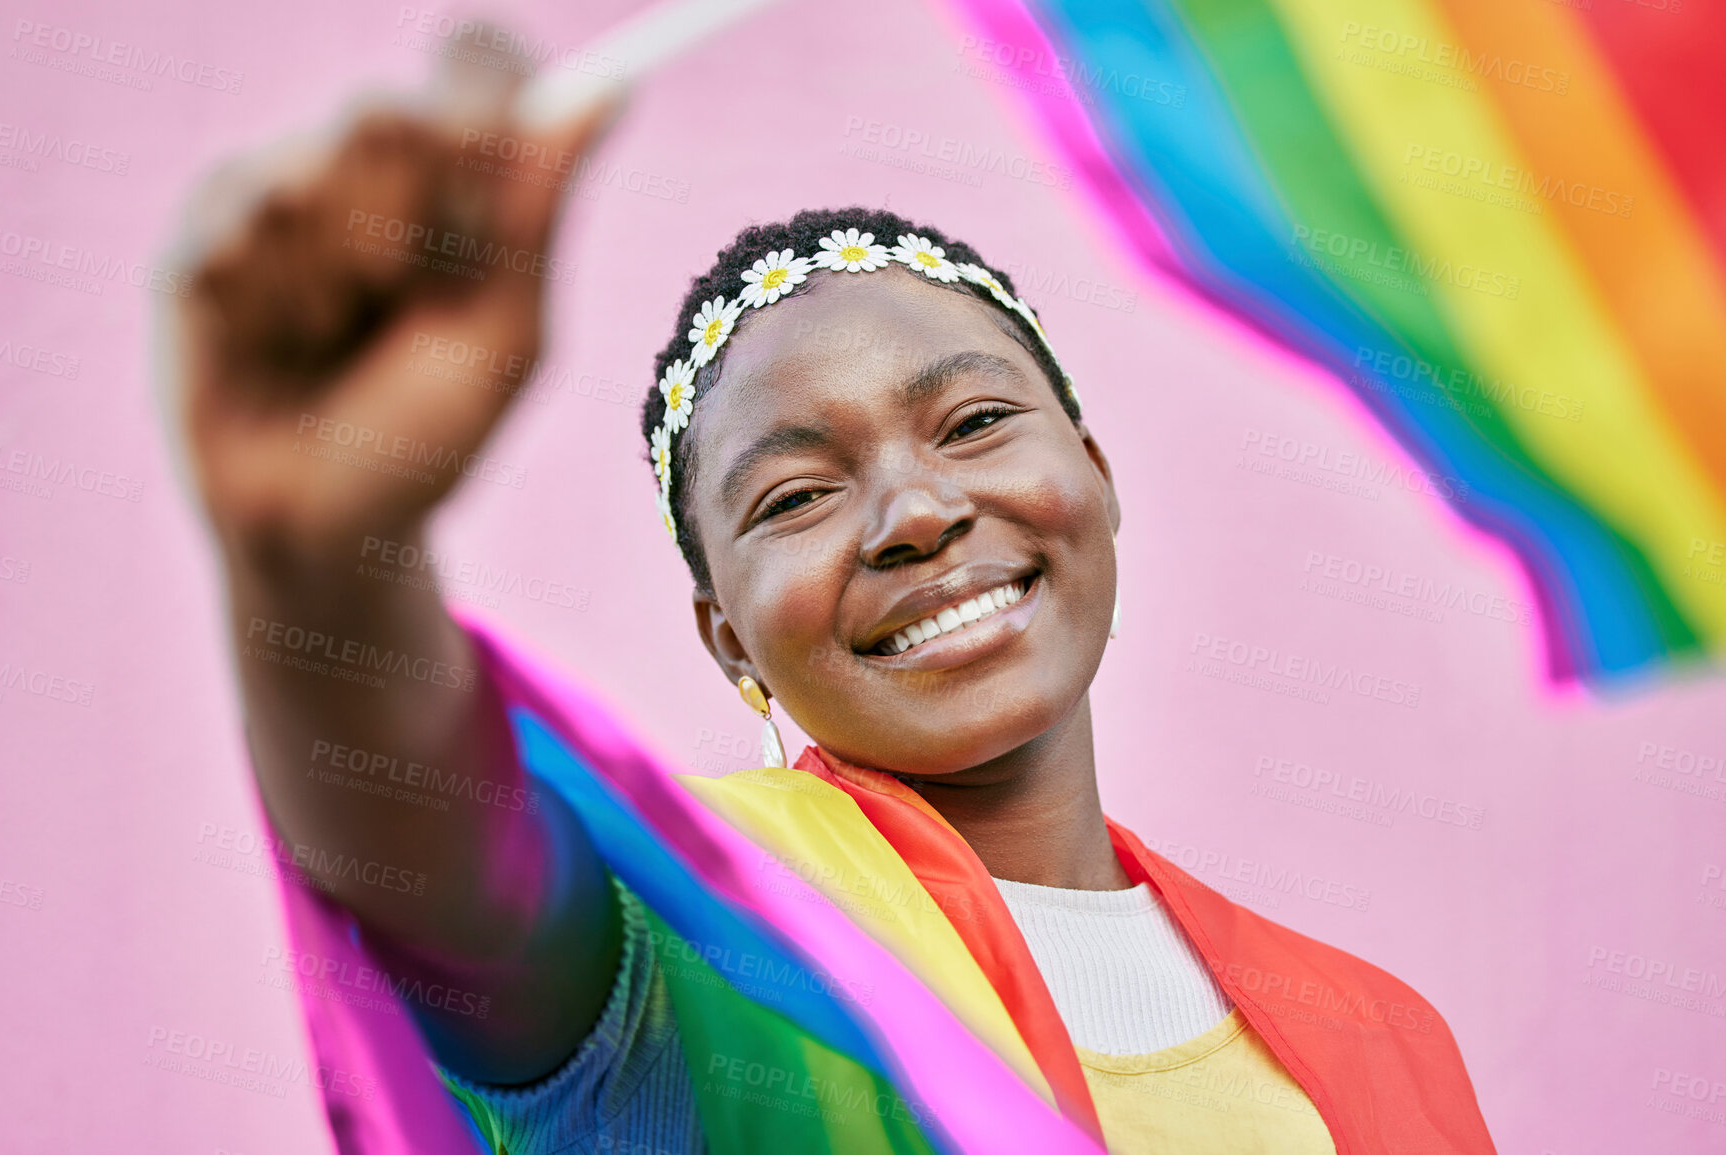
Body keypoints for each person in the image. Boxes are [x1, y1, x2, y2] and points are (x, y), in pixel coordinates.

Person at [175, 58, 1496, 1155]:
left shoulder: (1385, 1039)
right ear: (728, 638)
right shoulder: (701, 927)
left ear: (1091, 479)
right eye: (797, 497)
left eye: (975, 422)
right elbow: (445, 866)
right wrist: (326, 562)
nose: (916, 514)